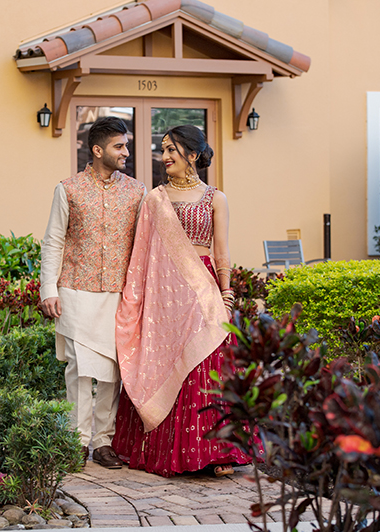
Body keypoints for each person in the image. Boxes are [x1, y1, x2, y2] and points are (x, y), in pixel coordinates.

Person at [111, 125, 257, 477]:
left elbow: (221, 251)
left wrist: (225, 291)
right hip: (165, 295)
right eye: (163, 150)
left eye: (172, 150)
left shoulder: (214, 198)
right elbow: (142, 253)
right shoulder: (155, 198)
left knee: (207, 366)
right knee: (168, 362)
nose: (165, 157)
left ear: (192, 155)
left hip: (202, 288)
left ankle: (218, 452)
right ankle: (167, 451)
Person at [40, 116, 146, 469]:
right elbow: (54, 241)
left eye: (126, 145)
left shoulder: (136, 191)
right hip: (75, 290)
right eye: (119, 146)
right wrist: (48, 289)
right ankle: (77, 441)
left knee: (113, 371)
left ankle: (103, 441)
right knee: (80, 370)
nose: (126, 152)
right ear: (98, 149)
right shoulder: (68, 189)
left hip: (118, 293)